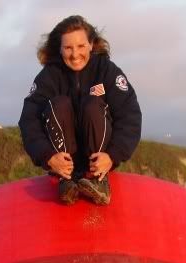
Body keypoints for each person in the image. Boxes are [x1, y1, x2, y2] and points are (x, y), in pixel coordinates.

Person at [18, 15, 141, 205]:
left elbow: (129, 115)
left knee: (93, 105)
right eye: (68, 48)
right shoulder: (49, 77)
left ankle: (97, 180)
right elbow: (29, 121)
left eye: (81, 46)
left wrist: (113, 156)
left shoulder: (107, 71)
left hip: (98, 160)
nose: (75, 54)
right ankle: (66, 181)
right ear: (59, 49)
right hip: (63, 162)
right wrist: (48, 157)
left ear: (91, 44)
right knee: (59, 104)